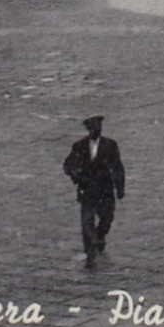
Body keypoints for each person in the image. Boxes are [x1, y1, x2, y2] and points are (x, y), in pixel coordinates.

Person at [62, 114, 126, 270]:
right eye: (92, 129)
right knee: (87, 221)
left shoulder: (110, 145)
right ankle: (90, 252)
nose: (95, 132)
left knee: (107, 218)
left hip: (105, 189)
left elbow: (117, 167)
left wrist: (120, 188)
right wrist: (78, 177)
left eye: (97, 129)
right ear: (88, 130)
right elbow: (68, 165)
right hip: (88, 189)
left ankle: (100, 237)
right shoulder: (80, 146)